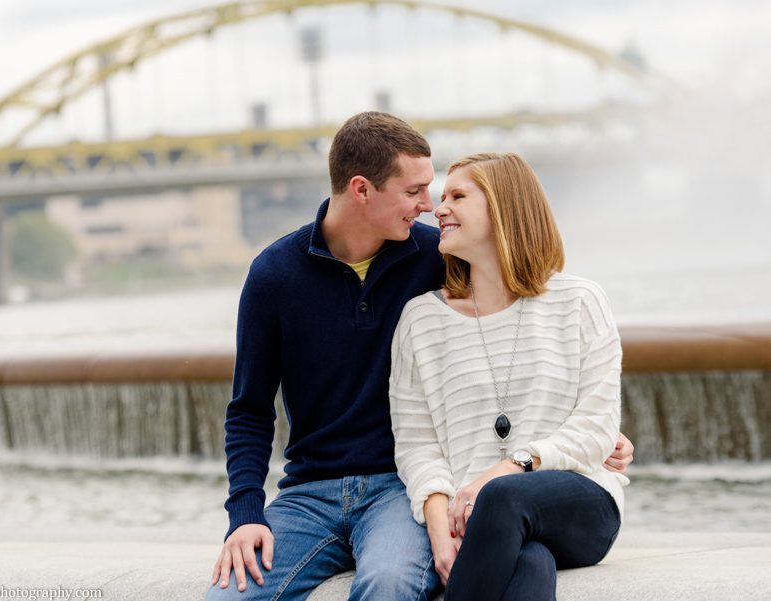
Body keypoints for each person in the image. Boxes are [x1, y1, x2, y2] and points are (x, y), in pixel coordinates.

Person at [207, 114, 633, 601]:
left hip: (396, 490)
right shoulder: (275, 275)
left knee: (391, 583)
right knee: (228, 596)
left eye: (445, 195)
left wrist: (595, 434)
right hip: (310, 494)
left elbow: (526, 298)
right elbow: (248, 410)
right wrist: (244, 515)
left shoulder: (440, 255)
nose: (431, 208)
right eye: (417, 192)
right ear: (362, 189)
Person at [389, 152, 628, 601]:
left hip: (580, 502)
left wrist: (509, 468)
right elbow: (417, 445)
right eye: (441, 197)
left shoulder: (580, 301)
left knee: (503, 496)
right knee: (530, 562)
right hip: (477, 520)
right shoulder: (420, 319)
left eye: (457, 196)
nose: (439, 209)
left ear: (504, 207)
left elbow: (595, 429)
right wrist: (441, 536)